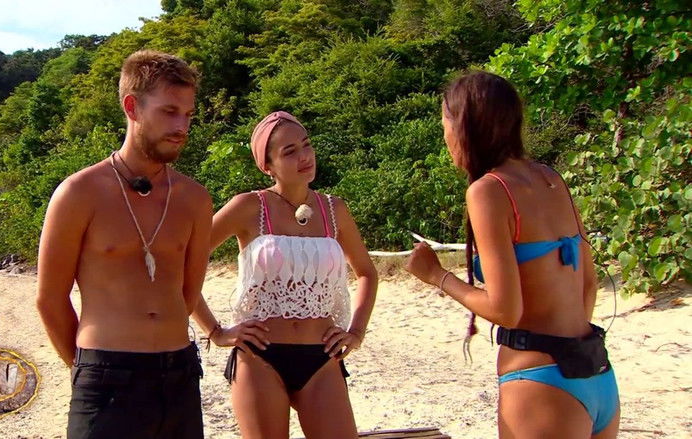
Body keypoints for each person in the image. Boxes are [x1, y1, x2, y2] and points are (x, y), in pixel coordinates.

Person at [405, 72, 619, 438]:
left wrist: (437, 276)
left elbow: (506, 310)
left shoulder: (489, 191)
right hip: (594, 370)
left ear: (465, 126)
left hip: (541, 384)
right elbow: (588, 283)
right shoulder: (551, 178)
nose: (445, 137)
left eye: (445, 125)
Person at [36, 50, 211, 439]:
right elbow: (50, 299)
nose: (181, 126)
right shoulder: (79, 193)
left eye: (187, 114)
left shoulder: (194, 199)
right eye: (169, 112)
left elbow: (188, 293)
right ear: (132, 107)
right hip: (106, 377)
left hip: (179, 375)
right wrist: (87, 370)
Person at [191, 111, 378, 439]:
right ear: (267, 165)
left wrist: (356, 332)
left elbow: (366, 273)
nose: (305, 156)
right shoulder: (248, 207)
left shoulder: (334, 210)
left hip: (322, 357)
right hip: (259, 358)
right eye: (289, 151)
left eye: (307, 145)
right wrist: (216, 331)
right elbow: (183, 265)